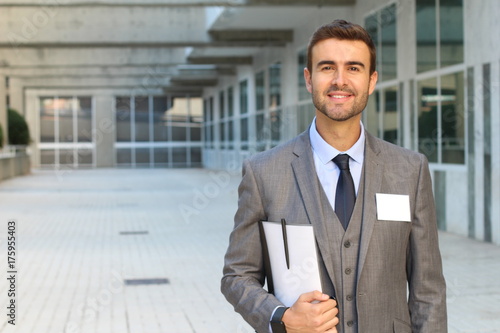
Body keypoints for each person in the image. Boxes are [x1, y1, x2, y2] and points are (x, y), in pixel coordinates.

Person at [221, 19, 447, 333]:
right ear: (309, 79)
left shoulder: (410, 170)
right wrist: (281, 317)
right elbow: (237, 276)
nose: (340, 80)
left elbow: (429, 290)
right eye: (327, 67)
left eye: (354, 68)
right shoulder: (263, 172)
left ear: (371, 80)